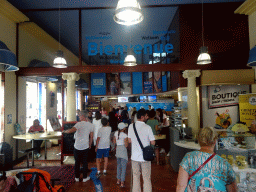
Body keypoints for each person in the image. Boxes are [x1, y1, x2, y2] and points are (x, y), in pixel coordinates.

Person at [176, 127, 237, 192]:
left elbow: (181, 186)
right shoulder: (225, 164)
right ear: (215, 141)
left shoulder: (188, 157)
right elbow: (233, 189)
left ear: (199, 141)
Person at [128, 108, 155, 192]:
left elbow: (129, 141)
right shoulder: (147, 127)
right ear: (142, 117)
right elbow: (153, 142)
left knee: (136, 177)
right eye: (146, 116)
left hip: (134, 157)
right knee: (146, 178)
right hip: (145, 157)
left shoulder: (131, 126)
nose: (147, 117)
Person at [63, 111, 94, 183]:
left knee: (77, 162)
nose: (79, 117)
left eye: (80, 116)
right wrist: (90, 144)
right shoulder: (91, 125)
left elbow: (70, 131)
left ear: (83, 116)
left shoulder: (78, 124)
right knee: (85, 162)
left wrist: (64, 131)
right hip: (85, 146)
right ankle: (85, 177)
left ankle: (76, 177)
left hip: (77, 146)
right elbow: (91, 136)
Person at [113, 123, 128, 188]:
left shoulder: (116, 133)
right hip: (123, 150)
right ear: (124, 128)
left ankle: (118, 180)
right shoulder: (125, 135)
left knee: (118, 166)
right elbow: (126, 145)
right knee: (123, 167)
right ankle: (122, 182)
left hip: (118, 150)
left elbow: (114, 142)